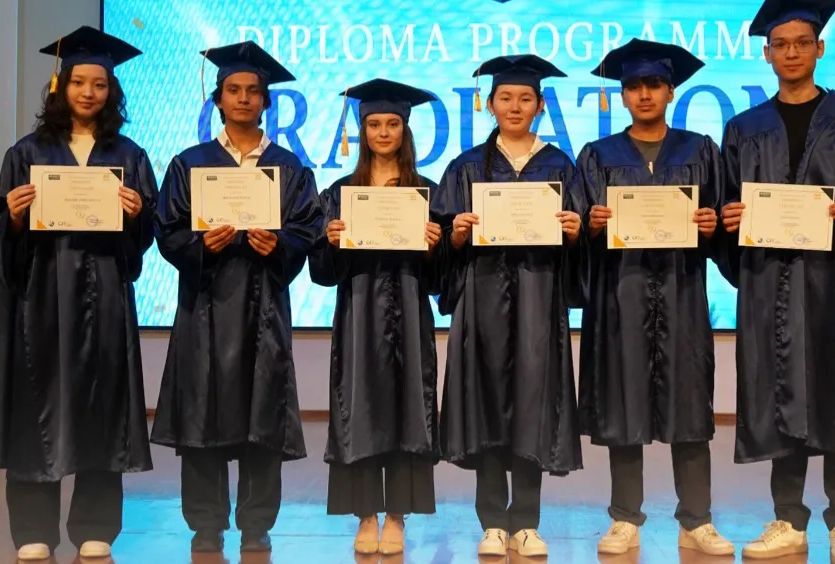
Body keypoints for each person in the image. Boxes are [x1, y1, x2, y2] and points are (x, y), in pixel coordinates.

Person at [717, 1, 835, 560]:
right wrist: (730, 218)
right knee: (782, 397)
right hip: (770, 284)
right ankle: (788, 520)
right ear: (766, 54)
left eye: (803, 42)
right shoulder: (744, 129)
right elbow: (726, 205)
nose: (792, 52)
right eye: (781, 44)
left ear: (820, 48)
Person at [0, 26, 155, 561]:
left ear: (111, 91)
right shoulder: (26, 152)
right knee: (35, 405)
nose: (88, 92)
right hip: (40, 299)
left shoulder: (129, 154)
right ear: (61, 85)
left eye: (99, 84)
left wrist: (137, 215)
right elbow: (1, 237)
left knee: (102, 406)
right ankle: (33, 528)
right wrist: (14, 218)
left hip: (104, 300)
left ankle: (95, 525)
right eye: (79, 82)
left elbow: (143, 241)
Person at [149, 41, 322, 554]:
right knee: (202, 413)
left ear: (266, 101)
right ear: (219, 99)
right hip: (204, 306)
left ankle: (256, 523)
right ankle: (206, 523)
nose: (243, 98)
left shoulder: (288, 167)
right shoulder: (190, 163)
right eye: (233, 90)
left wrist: (280, 244)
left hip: (263, 306)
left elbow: (306, 229)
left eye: (252, 91)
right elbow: (168, 230)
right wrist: (200, 245)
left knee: (262, 414)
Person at [575, 38, 734, 557]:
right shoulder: (597, 156)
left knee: (689, 406)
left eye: (654, 85)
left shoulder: (700, 150)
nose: (644, 94)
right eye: (634, 86)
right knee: (624, 406)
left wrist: (711, 225)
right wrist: (590, 225)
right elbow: (575, 230)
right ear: (622, 95)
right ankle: (625, 519)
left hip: (682, 293)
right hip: (620, 298)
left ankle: (697, 520)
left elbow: (723, 221)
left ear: (670, 91)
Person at [430, 54, 584, 559]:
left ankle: (527, 522)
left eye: (525, 98)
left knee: (533, 404)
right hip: (482, 297)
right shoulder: (466, 166)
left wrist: (575, 233)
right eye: (505, 98)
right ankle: (493, 521)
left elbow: (578, 241)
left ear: (540, 105)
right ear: (490, 104)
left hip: (540, 296)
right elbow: (441, 238)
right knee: (488, 404)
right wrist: (454, 235)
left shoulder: (560, 166)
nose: (515, 106)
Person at [310, 78, 443, 556]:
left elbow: (441, 279)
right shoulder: (340, 193)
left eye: (392, 124)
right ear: (362, 130)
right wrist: (329, 242)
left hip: (410, 311)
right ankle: (365, 513)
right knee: (359, 407)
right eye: (373, 124)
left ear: (405, 129)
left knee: (409, 409)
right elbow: (321, 274)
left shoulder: (426, 192)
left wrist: (436, 247)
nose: (383, 132)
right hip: (359, 314)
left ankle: (397, 515)